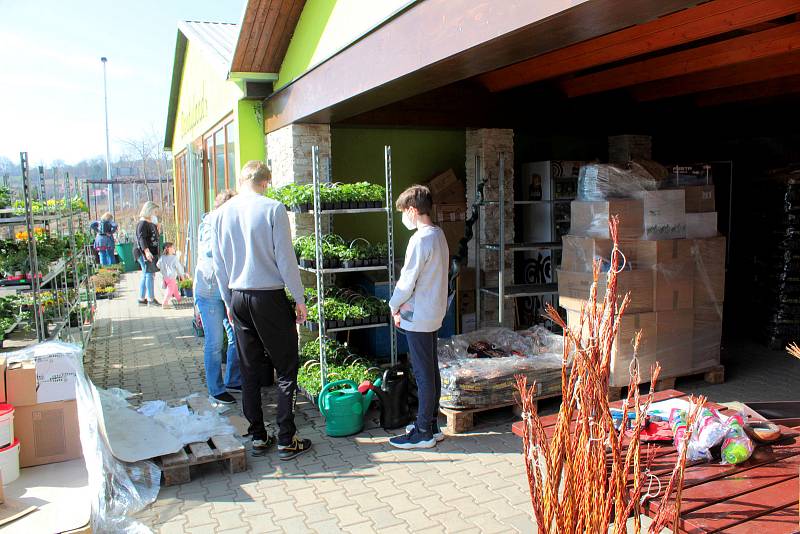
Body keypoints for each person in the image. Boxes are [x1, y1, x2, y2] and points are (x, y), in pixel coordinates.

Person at [212, 161, 312, 459]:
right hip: (268, 296)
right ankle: (285, 437)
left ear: (241, 180)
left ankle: (257, 435)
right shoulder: (273, 209)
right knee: (285, 366)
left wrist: (228, 301)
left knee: (249, 368)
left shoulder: (220, 214)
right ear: (266, 182)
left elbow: (218, 265)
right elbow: (285, 257)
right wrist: (299, 297)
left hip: (238, 295)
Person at [388, 185, 449, 450]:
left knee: (423, 374)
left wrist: (393, 305)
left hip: (419, 316)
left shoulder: (420, 239)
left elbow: (406, 281)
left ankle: (423, 431)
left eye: (404, 211)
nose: (404, 217)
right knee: (430, 370)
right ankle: (431, 425)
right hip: (433, 312)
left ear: (413, 210)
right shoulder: (439, 235)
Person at [194, 190, 242, 405]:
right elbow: (209, 253)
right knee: (214, 343)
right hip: (210, 291)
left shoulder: (230, 222)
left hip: (227, 290)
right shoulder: (210, 224)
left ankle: (233, 380)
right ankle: (216, 389)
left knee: (236, 337)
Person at [134, 201, 160, 306]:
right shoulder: (142, 223)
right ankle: (150, 299)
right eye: (154, 211)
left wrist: (157, 228)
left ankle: (141, 298)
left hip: (149, 252)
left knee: (146, 274)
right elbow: (142, 239)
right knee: (149, 274)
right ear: (149, 211)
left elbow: (154, 236)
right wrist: (147, 252)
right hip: (144, 252)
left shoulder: (149, 223)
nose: (155, 214)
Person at [156, 242, 185, 310]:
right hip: (171, 277)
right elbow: (179, 268)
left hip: (165, 277)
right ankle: (165, 303)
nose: (174, 248)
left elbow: (158, 265)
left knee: (174, 288)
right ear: (169, 249)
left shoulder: (162, 257)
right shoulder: (174, 258)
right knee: (170, 291)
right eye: (173, 247)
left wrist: (163, 269)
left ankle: (179, 299)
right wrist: (181, 275)